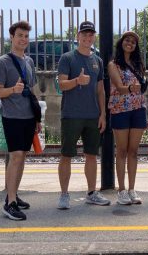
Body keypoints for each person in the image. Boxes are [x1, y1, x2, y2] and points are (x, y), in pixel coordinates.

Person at [56, 21, 110, 209]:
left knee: (91, 155)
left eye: (91, 35)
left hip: (93, 115)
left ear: (94, 37)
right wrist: (77, 81)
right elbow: (61, 85)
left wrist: (103, 114)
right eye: (84, 34)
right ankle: (64, 194)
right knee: (66, 155)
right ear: (78, 36)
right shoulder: (67, 58)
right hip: (71, 114)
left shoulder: (98, 61)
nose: (88, 38)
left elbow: (100, 89)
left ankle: (91, 192)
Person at [0, 20, 40, 221]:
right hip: (12, 116)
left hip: (28, 116)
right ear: (11, 37)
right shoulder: (2, 62)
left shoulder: (29, 61)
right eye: (20, 35)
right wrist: (13, 90)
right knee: (16, 156)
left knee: (22, 157)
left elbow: (32, 90)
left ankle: (14, 194)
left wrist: (37, 118)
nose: (23, 39)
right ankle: (9, 203)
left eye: (26, 36)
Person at [107, 31, 147, 205]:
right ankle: (121, 190)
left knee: (134, 151)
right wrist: (132, 88)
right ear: (121, 43)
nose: (129, 43)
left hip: (138, 109)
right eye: (127, 40)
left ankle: (131, 189)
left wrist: (137, 88)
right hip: (120, 109)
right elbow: (120, 87)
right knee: (122, 151)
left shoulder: (138, 65)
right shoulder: (113, 64)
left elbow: (142, 87)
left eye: (133, 41)